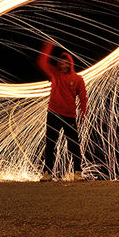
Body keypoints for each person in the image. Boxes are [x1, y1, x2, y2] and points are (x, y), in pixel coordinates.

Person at [37, 40, 88, 181]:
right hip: (53, 113)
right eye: (61, 62)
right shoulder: (55, 74)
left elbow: (83, 97)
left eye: (66, 62)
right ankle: (47, 173)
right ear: (59, 64)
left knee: (73, 145)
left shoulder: (77, 79)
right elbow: (43, 62)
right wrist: (49, 46)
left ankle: (78, 172)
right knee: (50, 144)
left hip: (69, 115)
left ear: (70, 64)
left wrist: (84, 112)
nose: (64, 64)